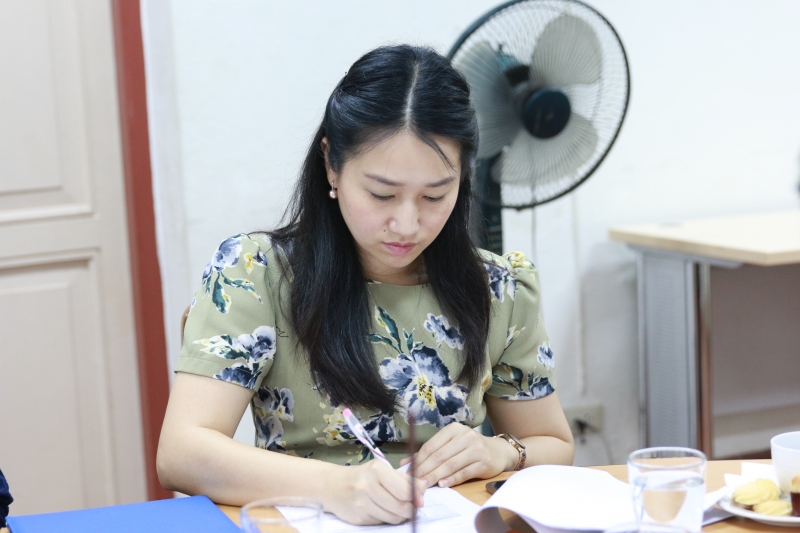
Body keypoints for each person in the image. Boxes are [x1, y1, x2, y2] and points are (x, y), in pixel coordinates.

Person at [157, 44, 574, 526]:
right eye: (381, 194)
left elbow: (555, 444)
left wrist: (500, 451)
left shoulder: (499, 287)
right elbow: (182, 453)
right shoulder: (256, 273)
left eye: (435, 195)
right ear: (332, 165)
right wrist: (337, 487)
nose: (407, 224)